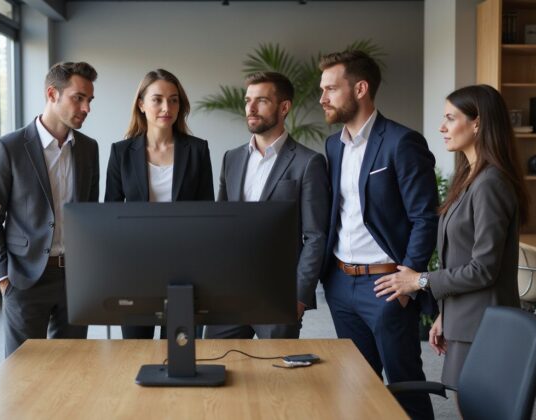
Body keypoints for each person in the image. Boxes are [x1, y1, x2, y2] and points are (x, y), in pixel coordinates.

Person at [374, 84, 526, 389]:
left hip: (485, 325)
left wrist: (420, 281)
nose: (442, 128)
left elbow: (483, 269)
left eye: (450, 118)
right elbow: (459, 256)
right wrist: (447, 315)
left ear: (477, 123)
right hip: (465, 321)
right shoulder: (469, 178)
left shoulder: (491, 184)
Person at [319, 50, 437, 419]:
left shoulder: (401, 142)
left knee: (405, 387)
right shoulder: (332, 145)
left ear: (360, 88)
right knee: (355, 385)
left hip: (387, 287)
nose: (322, 98)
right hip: (340, 284)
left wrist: (410, 279)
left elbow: (425, 217)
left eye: (330, 89)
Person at [0, 62, 100, 356]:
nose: (86, 108)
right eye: (78, 98)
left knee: (71, 368)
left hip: (74, 279)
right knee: (22, 371)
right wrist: (4, 279)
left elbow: (90, 214)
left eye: (89, 100)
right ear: (52, 94)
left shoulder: (89, 148)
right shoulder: (8, 147)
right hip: (24, 279)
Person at [204, 71, 330, 339]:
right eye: (247, 99)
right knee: (215, 364)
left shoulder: (308, 163)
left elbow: (315, 236)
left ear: (284, 107)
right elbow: (220, 226)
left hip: (278, 295)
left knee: (276, 375)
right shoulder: (232, 158)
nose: (250, 108)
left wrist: (299, 297)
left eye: (261, 100)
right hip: (228, 292)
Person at [105, 69, 214, 339]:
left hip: (186, 269)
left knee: (179, 347)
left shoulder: (198, 150)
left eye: (174, 100)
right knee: (134, 349)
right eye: (158, 99)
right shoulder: (121, 153)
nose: (167, 107)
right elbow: (110, 215)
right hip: (135, 268)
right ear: (141, 104)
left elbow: (207, 213)